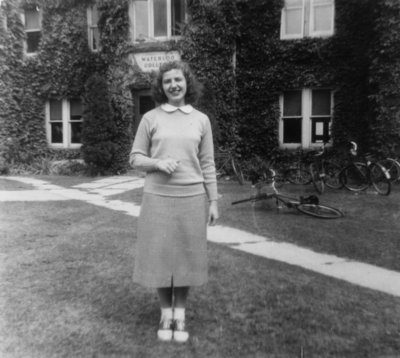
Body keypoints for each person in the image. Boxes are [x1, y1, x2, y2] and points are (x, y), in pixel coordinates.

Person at [129, 60, 219, 343]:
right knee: (159, 256)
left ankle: (180, 314)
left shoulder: (201, 120)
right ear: (161, 86)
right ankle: (165, 313)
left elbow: (208, 163)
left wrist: (213, 200)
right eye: (167, 81)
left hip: (191, 198)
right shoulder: (150, 118)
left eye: (178, 79)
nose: (173, 85)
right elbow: (135, 158)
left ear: (187, 83)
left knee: (185, 258)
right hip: (157, 197)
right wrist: (157, 163)